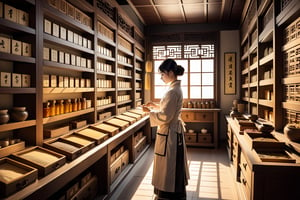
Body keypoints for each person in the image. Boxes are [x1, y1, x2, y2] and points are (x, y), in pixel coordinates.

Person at [142, 59, 189, 200]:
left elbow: (166, 116)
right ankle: (171, 193)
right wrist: (155, 106)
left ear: (170, 72)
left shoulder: (172, 91)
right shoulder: (174, 89)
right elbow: (168, 109)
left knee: (169, 166)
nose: (161, 77)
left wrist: (148, 113)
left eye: (162, 74)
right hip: (173, 131)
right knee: (171, 165)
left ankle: (168, 194)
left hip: (170, 133)